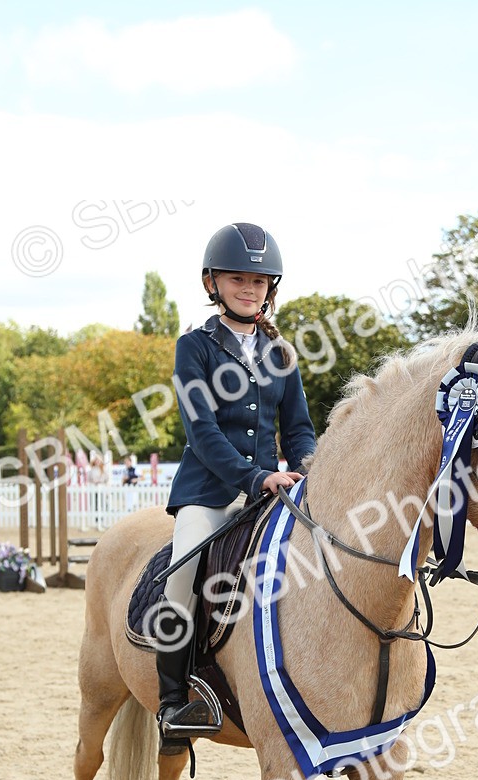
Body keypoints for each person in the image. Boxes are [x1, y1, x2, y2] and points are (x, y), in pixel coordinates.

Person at [157, 222, 316, 753]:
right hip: (209, 491)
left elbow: (297, 427)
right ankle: (173, 701)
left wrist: (309, 465)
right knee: (181, 580)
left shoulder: (281, 354)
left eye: (258, 280)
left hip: (270, 491)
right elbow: (200, 432)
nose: (248, 289)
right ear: (213, 284)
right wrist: (255, 477)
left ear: (270, 287)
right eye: (236, 279)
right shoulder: (194, 348)